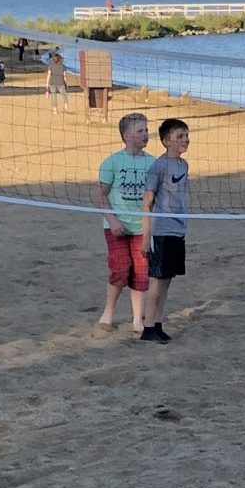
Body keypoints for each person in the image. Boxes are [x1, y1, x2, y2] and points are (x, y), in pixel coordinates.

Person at [98, 112, 157, 336]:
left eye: (146, 130)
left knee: (141, 272)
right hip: (117, 226)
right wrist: (112, 221)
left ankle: (137, 320)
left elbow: (154, 200)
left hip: (141, 227)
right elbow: (102, 196)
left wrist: (149, 230)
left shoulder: (152, 163)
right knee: (120, 269)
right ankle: (108, 313)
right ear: (126, 136)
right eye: (140, 131)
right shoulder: (112, 162)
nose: (146, 134)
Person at [139, 118, 191, 344]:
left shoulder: (184, 165)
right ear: (166, 141)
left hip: (178, 230)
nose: (185, 140)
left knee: (167, 279)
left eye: (186, 135)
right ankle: (147, 328)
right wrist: (145, 237)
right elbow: (147, 203)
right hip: (161, 231)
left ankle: (158, 325)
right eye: (179, 136)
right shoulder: (158, 166)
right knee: (158, 280)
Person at [45, 50, 70, 114]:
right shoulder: (63, 66)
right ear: (60, 59)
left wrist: (47, 84)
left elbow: (49, 75)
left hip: (52, 82)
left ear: (53, 59)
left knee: (53, 96)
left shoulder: (51, 65)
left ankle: (55, 110)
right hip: (60, 82)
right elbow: (64, 76)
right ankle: (66, 108)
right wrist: (66, 84)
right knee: (64, 95)